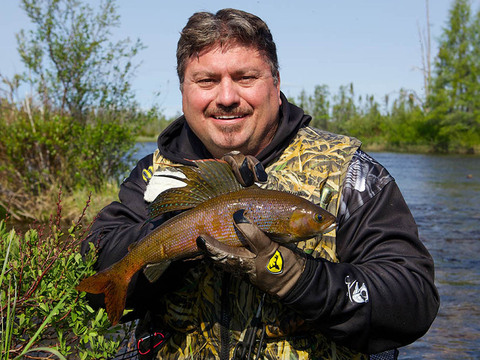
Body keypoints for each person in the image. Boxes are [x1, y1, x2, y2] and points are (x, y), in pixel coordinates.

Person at [81, 8, 439, 360]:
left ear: (277, 84)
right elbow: (91, 273)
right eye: (206, 81)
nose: (226, 97)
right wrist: (174, 236)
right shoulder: (153, 174)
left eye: (245, 78)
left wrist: (298, 278)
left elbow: (413, 299)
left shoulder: (348, 171)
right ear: (183, 90)